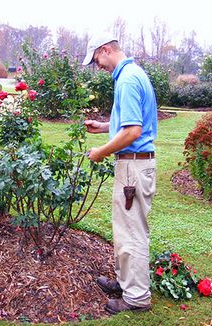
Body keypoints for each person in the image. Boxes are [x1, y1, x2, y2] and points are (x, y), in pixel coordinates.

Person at [82, 33, 157, 314]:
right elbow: (131, 121)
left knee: (132, 232)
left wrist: (101, 151)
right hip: (136, 165)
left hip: (133, 168)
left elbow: (133, 132)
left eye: (97, 59)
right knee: (126, 229)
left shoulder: (126, 80)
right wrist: (103, 126)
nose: (97, 65)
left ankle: (136, 298)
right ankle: (126, 282)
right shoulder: (133, 74)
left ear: (105, 50)